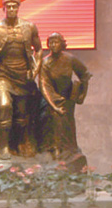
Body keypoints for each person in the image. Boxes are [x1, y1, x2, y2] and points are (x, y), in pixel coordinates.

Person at [0, 0, 43, 159]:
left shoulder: (29, 27)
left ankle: (18, 144)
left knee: (21, 115)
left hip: (22, 76)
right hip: (2, 74)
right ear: (3, 9)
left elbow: (39, 50)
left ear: (18, 8)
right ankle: (3, 147)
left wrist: (35, 70)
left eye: (14, 6)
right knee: (4, 105)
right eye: (8, 7)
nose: (11, 9)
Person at [39, 32, 91, 169]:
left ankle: (70, 150)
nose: (53, 45)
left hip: (68, 97)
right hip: (50, 99)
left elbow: (85, 74)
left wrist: (82, 93)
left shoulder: (70, 59)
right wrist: (54, 105)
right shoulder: (45, 62)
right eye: (51, 42)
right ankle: (53, 149)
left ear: (62, 44)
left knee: (67, 123)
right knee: (52, 117)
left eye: (56, 42)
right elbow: (44, 85)